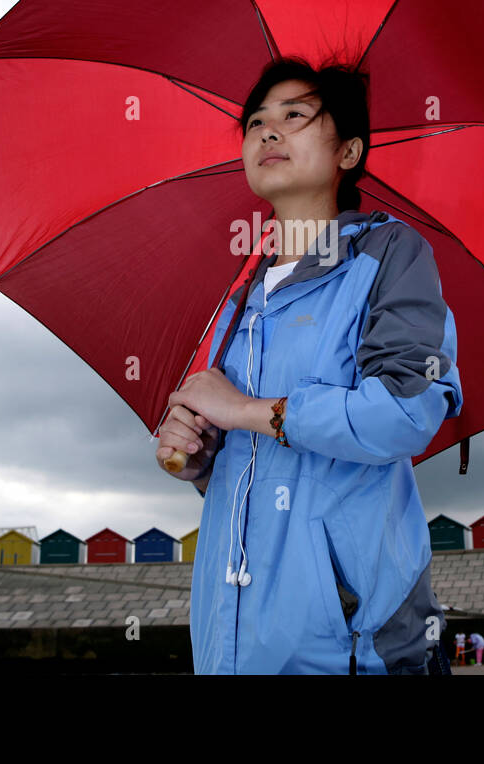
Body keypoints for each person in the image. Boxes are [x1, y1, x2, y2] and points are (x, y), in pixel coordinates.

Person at [156, 56, 464, 674]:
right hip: (231, 649)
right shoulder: (236, 303)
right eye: (255, 123)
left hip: (352, 648)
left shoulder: (390, 256)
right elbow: (252, 471)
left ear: (349, 151)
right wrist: (199, 461)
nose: (268, 132)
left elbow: (406, 409)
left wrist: (243, 410)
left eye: (295, 116)